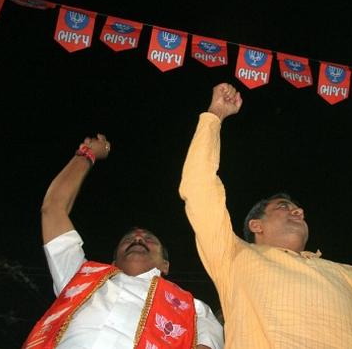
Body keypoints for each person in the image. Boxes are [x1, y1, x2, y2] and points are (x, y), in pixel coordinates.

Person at [179, 83, 352, 348]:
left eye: (296, 208)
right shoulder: (233, 256)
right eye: (283, 207)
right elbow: (199, 187)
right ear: (256, 225)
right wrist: (215, 116)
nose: (298, 211)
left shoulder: (345, 273)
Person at [22, 135, 223, 349]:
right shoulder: (80, 278)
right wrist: (87, 155)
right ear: (113, 261)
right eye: (129, 239)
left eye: (148, 239)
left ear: (166, 265)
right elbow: (53, 209)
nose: (138, 238)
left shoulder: (194, 309)